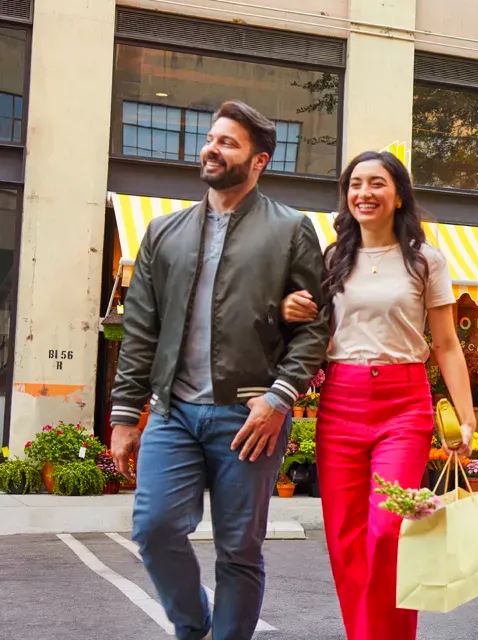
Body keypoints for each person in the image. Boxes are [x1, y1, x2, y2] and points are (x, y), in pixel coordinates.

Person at [109, 101, 330, 640]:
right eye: (211, 138)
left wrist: (279, 398)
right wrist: (122, 413)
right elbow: (140, 330)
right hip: (173, 413)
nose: (212, 148)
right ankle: (195, 627)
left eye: (228, 142)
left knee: (238, 549)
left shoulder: (291, 229)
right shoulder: (164, 233)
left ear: (258, 161)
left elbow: (318, 324)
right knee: (154, 528)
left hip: (250, 415)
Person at [279, 150, 476, 640]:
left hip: (403, 404)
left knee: (389, 532)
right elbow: (319, 339)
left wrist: (466, 421)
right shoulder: (332, 259)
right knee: (345, 542)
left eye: (376, 183)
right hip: (340, 401)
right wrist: (291, 315)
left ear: (399, 194)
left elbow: (447, 346)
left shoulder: (425, 260)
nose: (364, 193)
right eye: (355, 184)